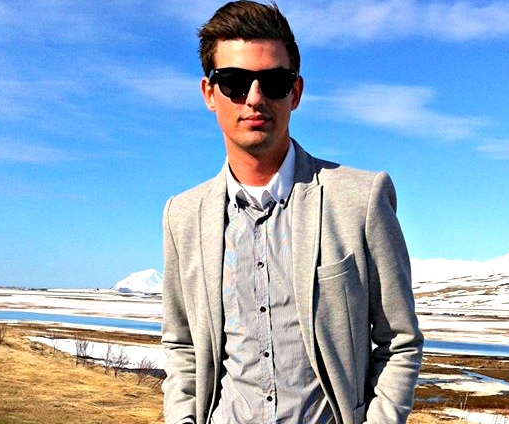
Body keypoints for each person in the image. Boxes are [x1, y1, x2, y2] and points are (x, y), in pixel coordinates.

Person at [160, 1, 423, 423]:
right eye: (234, 82)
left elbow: (399, 341)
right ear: (209, 93)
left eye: (274, 82)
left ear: (295, 92)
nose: (255, 98)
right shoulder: (183, 215)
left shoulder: (360, 200)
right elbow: (182, 344)